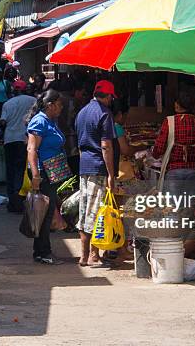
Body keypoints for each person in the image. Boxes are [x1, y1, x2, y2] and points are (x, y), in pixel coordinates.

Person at [75, 80, 117, 267]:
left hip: (84, 165)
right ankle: (93, 255)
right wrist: (111, 174)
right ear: (108, 96)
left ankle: (84, 256)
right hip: (98, 167)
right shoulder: (105, 114)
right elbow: (106, 145)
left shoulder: (82, 112)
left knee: (85, 210)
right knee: (96, 212)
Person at [26, 89, 66, 265]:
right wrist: (35, 174)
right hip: (43, 172)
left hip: (51, 171)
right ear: (50, 105)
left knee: (44, 213)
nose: (61, 108)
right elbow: (31, 149)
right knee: (45, 215)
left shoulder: (50, 121)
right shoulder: (39, 121)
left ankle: (40, 251)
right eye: (59, 105)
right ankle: (45, 253)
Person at [152, 89, 195, 196]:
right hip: (194, 169)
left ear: (178, 105)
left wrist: (155, 154)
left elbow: (159, 147)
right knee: (190, 207)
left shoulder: (169, 121)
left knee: (173, 207)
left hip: (174, 170)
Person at [1, 80, 36, 213]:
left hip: (9, 139)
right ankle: (21, 201)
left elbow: (3, 121)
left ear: (14, 90)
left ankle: (13, 202)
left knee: (10, 171)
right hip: (25, 139)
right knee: (23, 171)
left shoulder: (7, 103)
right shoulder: (33, 100)